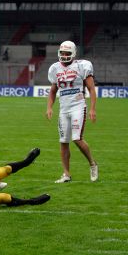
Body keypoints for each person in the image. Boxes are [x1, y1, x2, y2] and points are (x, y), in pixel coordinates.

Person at [46, 41, 98, 183]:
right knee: (63, 141)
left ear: (73, 53)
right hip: (64, 109)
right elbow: (52, 91)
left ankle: (93, 164)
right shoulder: (55, 68)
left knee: (77, 138)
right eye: (62, 53)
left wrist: (93, 108)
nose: (64, 55)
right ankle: (66, 174)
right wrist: (49, 107)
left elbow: (91, 89)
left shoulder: (82, 66)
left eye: (67, 53)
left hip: (78, 106)